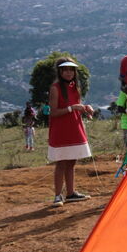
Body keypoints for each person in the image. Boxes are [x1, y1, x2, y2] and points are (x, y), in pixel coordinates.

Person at [48, 57, 94, 206]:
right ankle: (57, 195)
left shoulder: (75, 87)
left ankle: (70, 193)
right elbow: (53, 112)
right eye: (65, 70)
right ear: (60, 71)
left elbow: (76, 105)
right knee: (61, 163)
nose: (68, 73)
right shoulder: (55, 88)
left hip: (74, 128)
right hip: (61, 130)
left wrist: (86, 108)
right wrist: (72, 108)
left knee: (72, 162)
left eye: (71, 70)